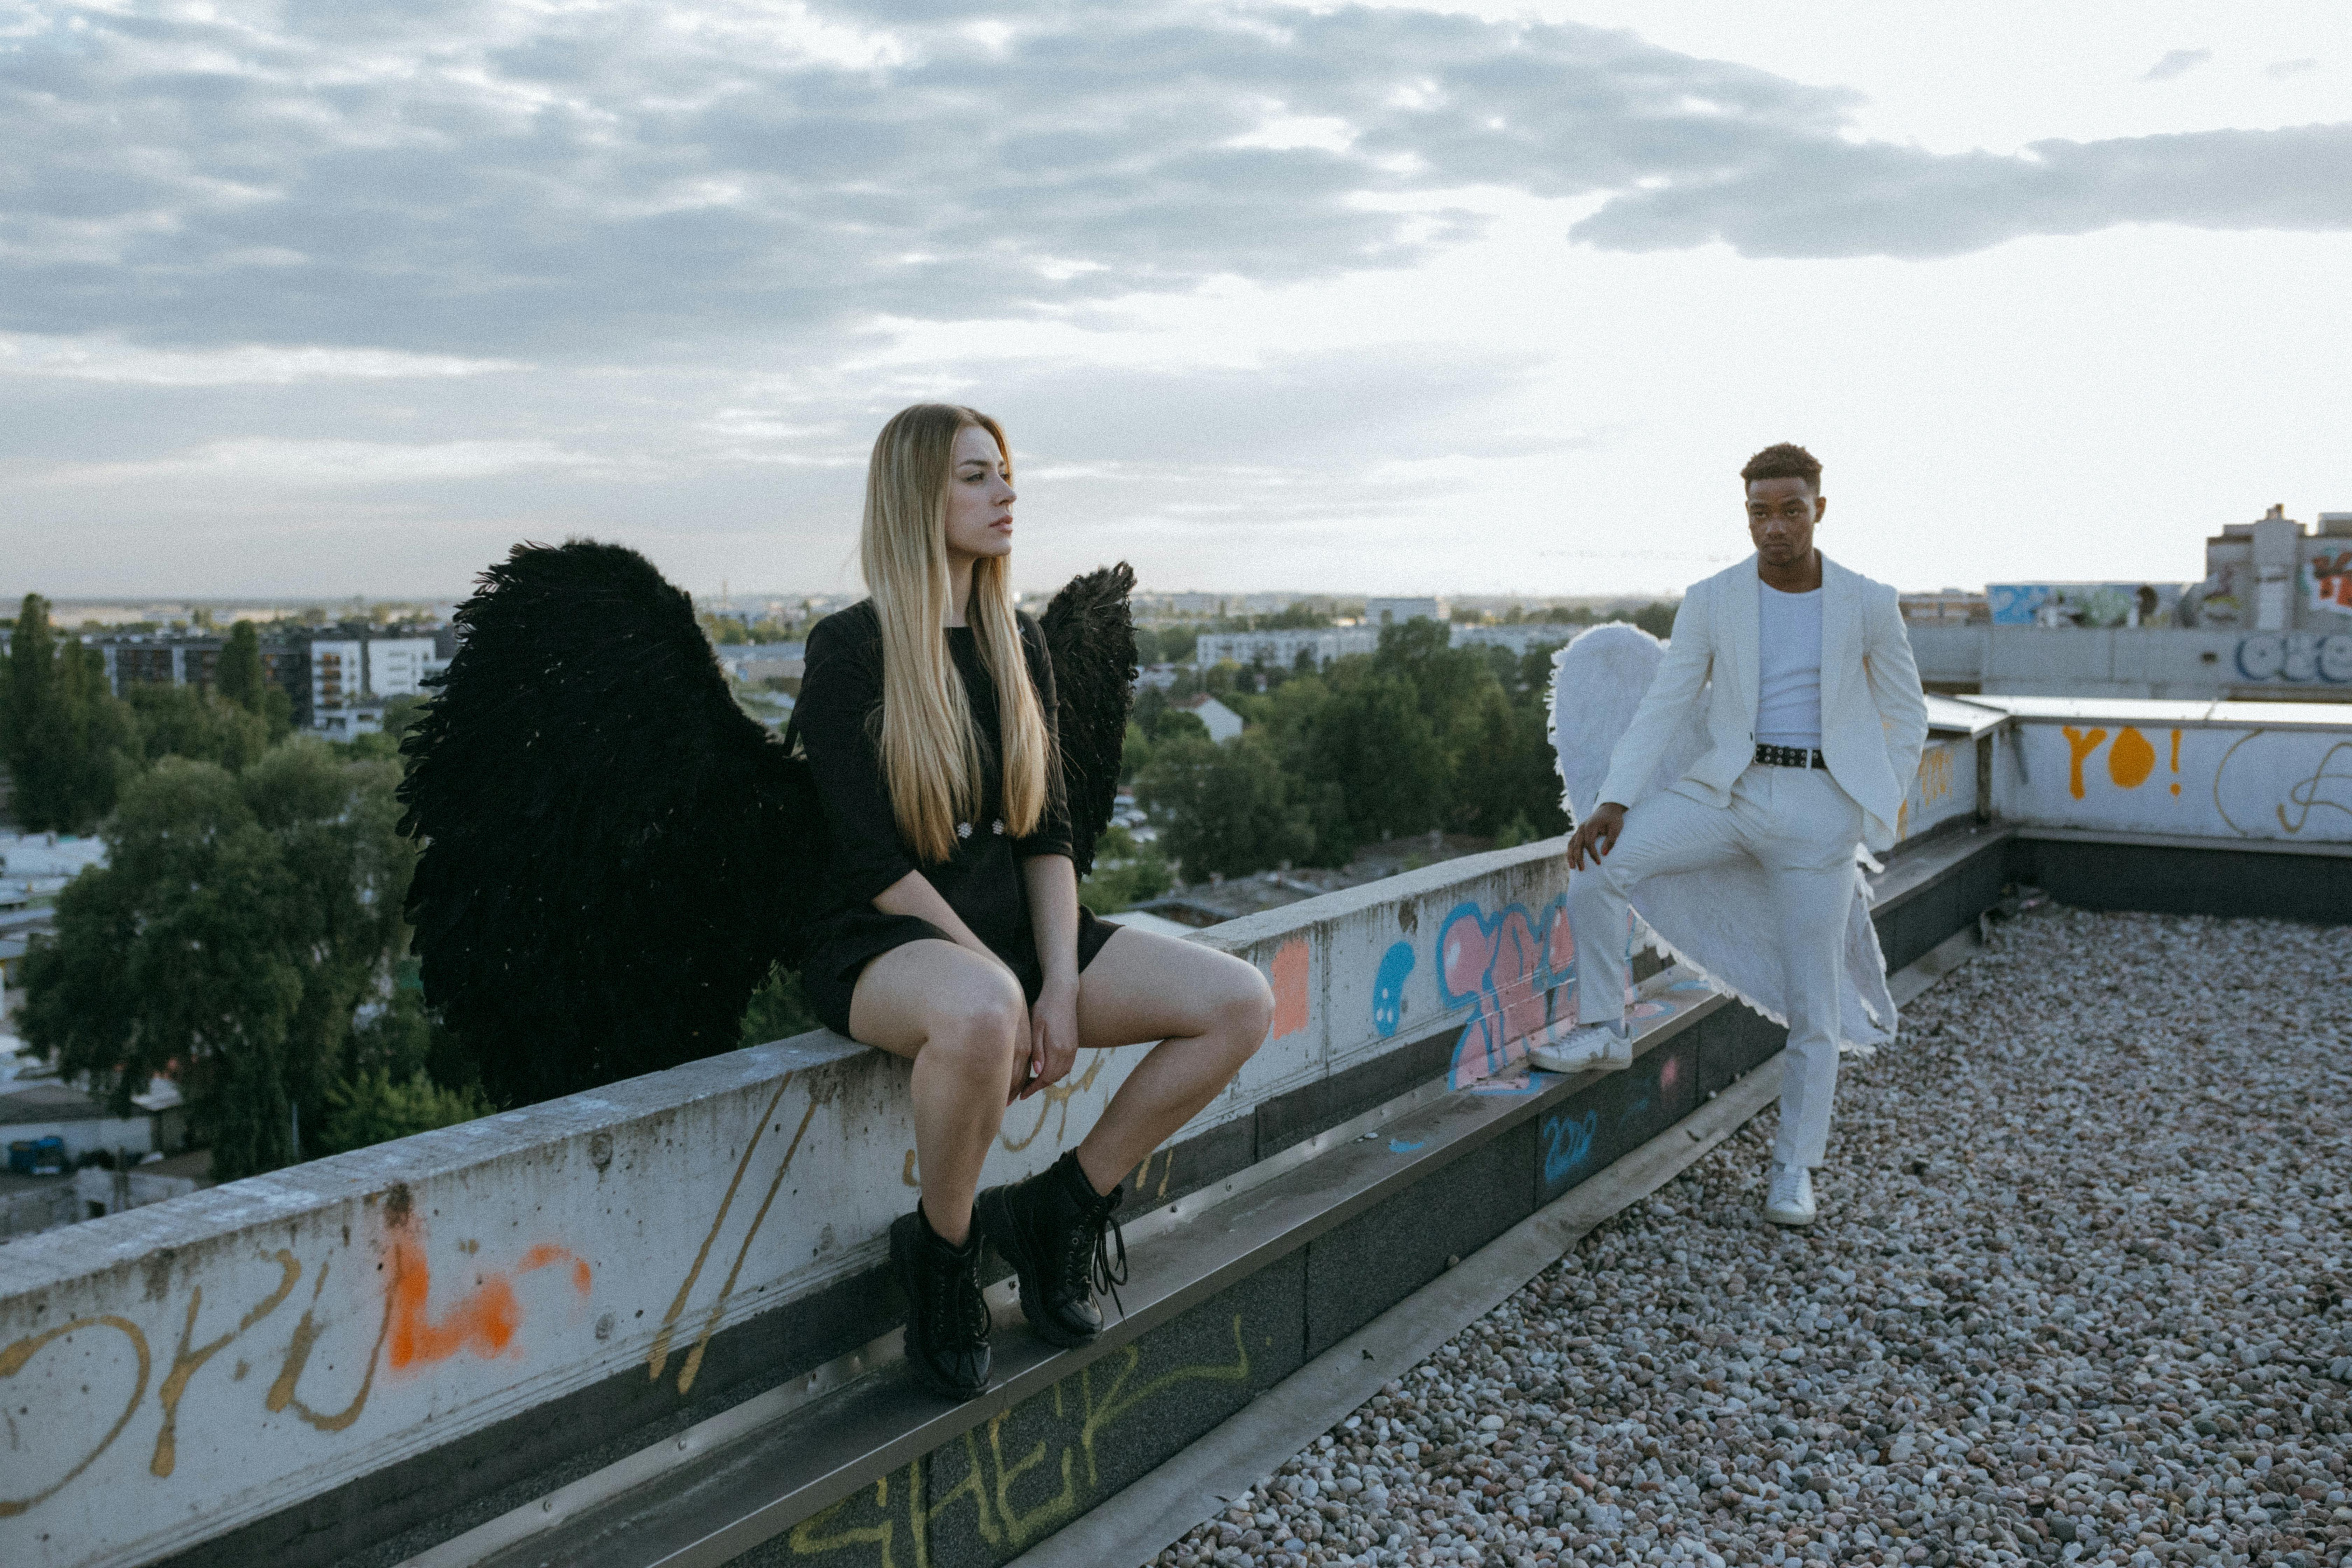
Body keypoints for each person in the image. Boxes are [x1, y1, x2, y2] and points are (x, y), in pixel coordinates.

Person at [794, 404, 1274, 1399]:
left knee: (1241, 1004)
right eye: (976, 476)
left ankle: (1062, 1208)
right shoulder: (848, 648)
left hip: (1019, 937)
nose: (1005, 493)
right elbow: (868, 858)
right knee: (982, 1007)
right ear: (916, 495)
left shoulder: (1019, 641)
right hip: (888, 939)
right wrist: (999, 979)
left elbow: (1048, 836)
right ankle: (943, 1255)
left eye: (1004, 473)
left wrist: (1057, 982)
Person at [1531, 443, 1927, 1227]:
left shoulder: (1868, 602)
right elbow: (1665, 703)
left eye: (1789, 509)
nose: (1773, 526)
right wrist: (1613, 799)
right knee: (1601, 871)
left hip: (1820, 810)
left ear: (1820, 507)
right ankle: (1606, 1027)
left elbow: (1907, 713)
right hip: (1728, 793)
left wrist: (1869, 808)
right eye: (1758, 511)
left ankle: (1794, 1171)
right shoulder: (1714, 598)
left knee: (1813, 1005)